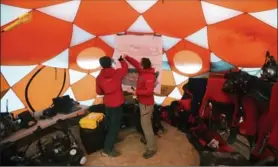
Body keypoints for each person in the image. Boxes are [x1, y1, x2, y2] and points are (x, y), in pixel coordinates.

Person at [124, 55, 157, 159]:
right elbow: (135, 63)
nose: (139, 64)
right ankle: (148, 139)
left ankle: (151, 148)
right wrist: (127, 57)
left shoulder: (149, 76)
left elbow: (149, 91)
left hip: (147, 104)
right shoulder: (143, 71)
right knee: (145, 123)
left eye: (140, 63)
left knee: (146, 125)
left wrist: (136, 91)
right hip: (143, 103)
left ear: (144, 65)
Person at [96, 55, 128, 157]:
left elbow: (99, 92)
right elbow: (125, 68)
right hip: (117, 103)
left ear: (101, 65)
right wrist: (121, 60)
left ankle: (113, 138)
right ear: (110, 63)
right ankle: (107, 150)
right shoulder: (117, 73)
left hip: (108, 103)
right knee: (114, 126)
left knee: (111, 123)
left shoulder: (99, 78)